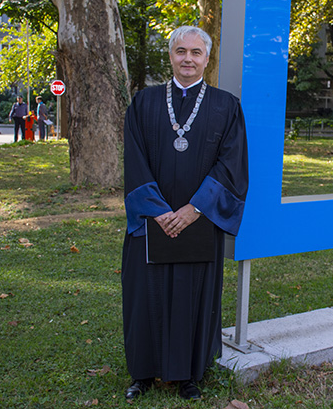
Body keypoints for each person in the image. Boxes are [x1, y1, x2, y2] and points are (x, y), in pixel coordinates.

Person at [122, 26, 249, 401]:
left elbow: (232, 165)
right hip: (151, 220)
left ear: (208, 59)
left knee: (194, 293)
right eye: (181, 51)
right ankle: (142, 373)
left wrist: (194, 209)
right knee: (145, 293)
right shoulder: (143, 103)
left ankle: (189, 374)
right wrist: (159, 212)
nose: (188, 59)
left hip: (199, 220)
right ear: (171, 55)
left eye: (196, 52)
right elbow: (134, 160)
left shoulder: (226, 106)